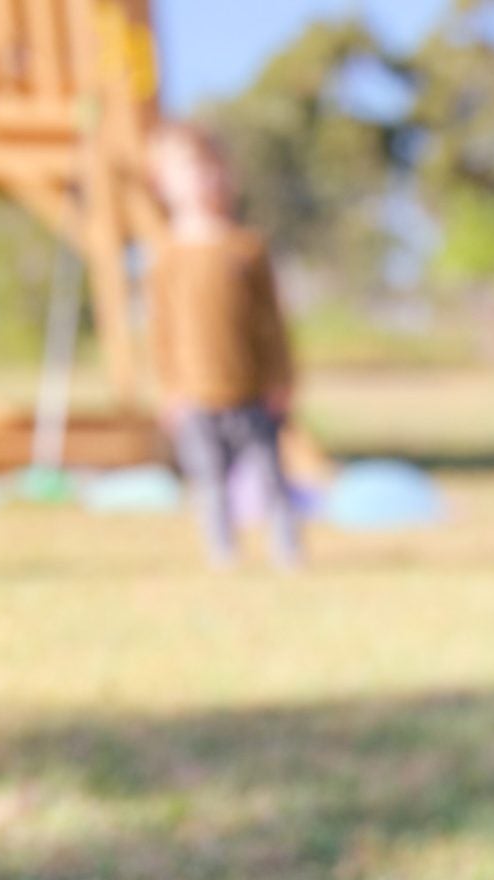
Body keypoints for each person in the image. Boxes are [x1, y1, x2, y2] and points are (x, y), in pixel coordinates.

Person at [145, 122, 302, 568]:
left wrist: (280, 378)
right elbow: (163, 333)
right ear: (163, 183)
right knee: (208, 480)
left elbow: (272, 324)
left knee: (271, 476)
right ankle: (222, 552)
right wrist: (171, 388)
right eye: (185, 171)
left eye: (207, 169)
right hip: (195, 396)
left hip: (251, 390)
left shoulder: (247, 249)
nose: (200, 181)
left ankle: (286, 548)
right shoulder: (167, 256)